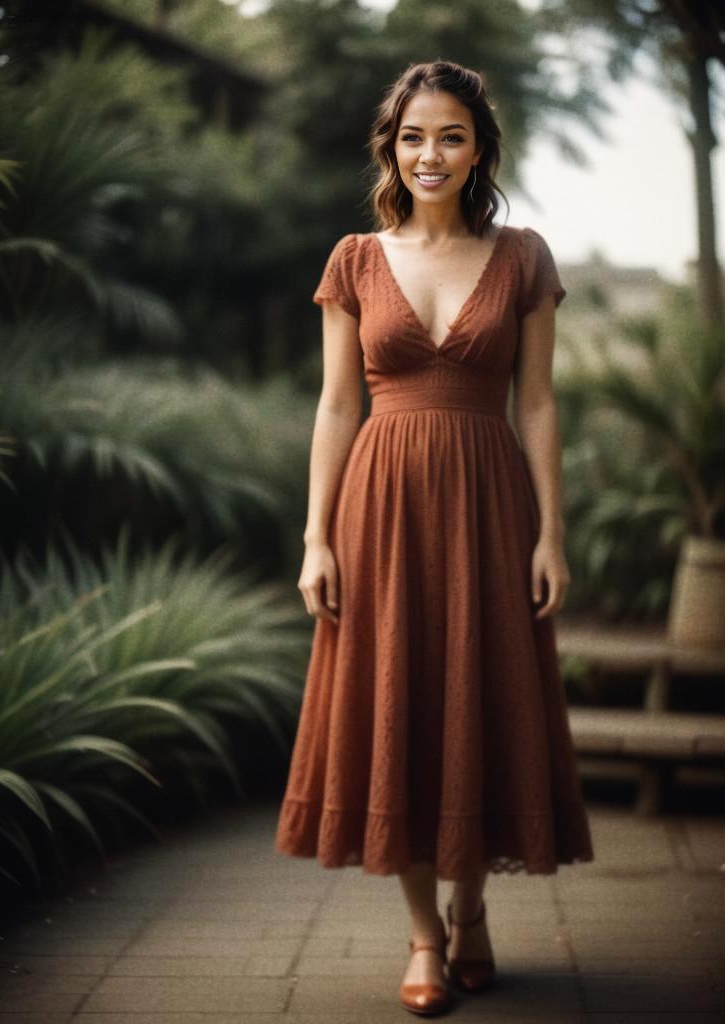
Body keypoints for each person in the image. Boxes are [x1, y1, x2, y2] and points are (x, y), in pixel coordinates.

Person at [273, 59, 594, 1016]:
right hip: (380, 510)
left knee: (480, 690)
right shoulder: (354, 259)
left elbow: (536, 404)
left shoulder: (525, 256)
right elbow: (335, 408)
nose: (430, 153)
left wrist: (553, 535)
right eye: (414, 136)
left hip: (491, 504)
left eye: (450, 135)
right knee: (399, 700)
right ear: (392, 148)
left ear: (480, 149)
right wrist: (315, 538)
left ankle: (472, 914)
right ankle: (423, 936)